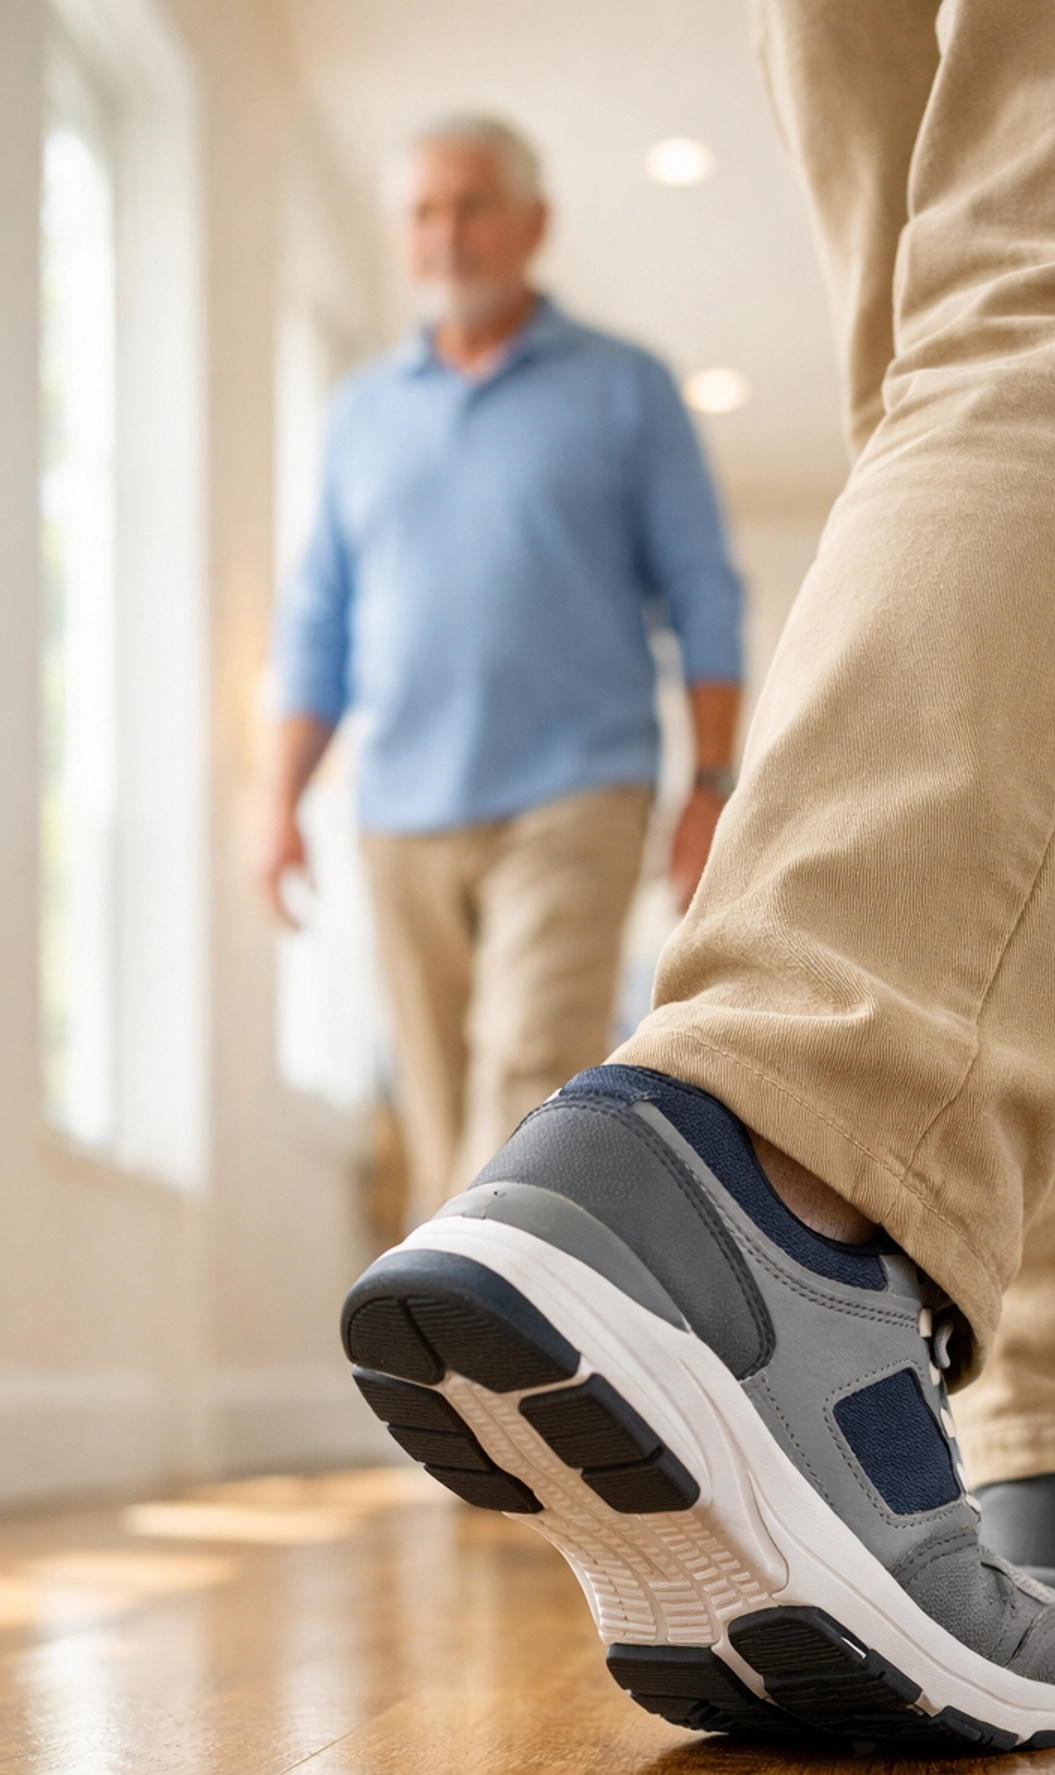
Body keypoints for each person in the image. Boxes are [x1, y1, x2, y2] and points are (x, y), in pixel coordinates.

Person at [342, 0, 1055, 1752]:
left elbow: (692, 582)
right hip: (428, 796)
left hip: (568, 773)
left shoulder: (603, 390)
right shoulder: (368, 417)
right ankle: (764, 1182)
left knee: (976, 373)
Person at [263, 116, 743, 1215]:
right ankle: (466, 1354)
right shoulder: (360, 415)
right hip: (400, 810)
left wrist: (709, 783)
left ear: (534, 224)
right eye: (423, 212)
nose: (447, 235)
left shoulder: (627, 388)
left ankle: (476, 1340)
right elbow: (319, 621)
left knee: (528, 1076)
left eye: (472, 205)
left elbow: (704, 591)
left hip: (575, 794)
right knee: (439, 1114)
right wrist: (282, 799)